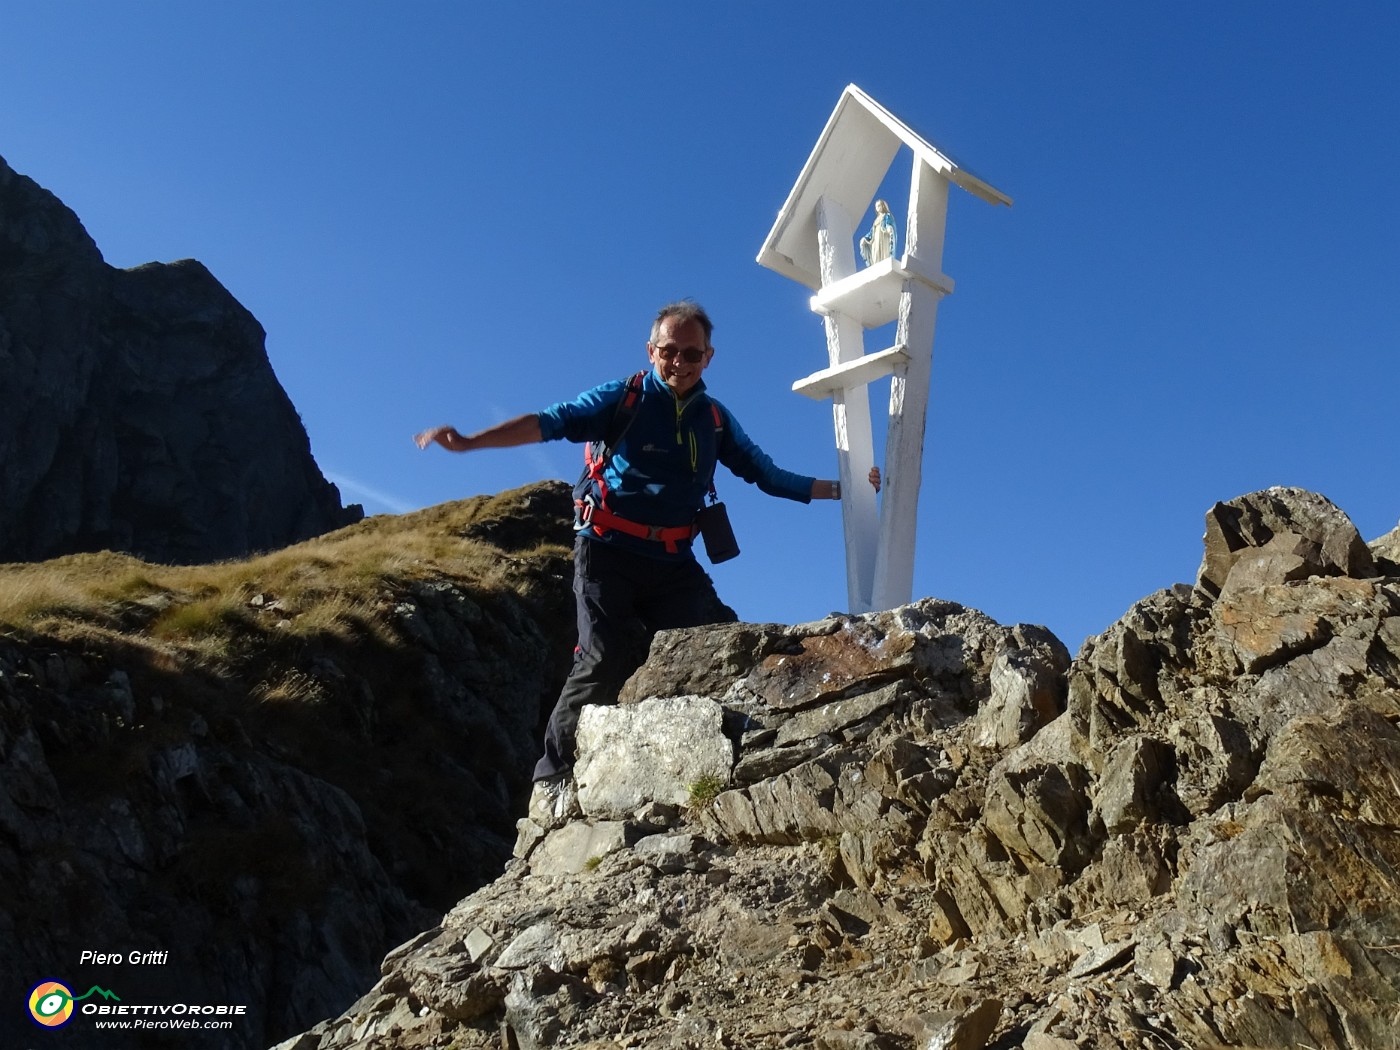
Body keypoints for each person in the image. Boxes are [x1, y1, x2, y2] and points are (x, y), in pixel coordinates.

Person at [415, 300, 879, 796]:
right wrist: (468, 443)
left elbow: (766, 474)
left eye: (691, 355)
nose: (679, 363)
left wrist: (844, 487)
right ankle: (550, 779)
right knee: (601, 658)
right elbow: (549, 422)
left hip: (672, 562)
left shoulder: (715, 419)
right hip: (605, 551)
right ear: (650, 350)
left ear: (709, 358)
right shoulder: (623, 399)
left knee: (717, 647)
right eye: (669, 351)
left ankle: (721, 762)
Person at [859, 199, 897, 266]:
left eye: (879, 205)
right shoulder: (876, 220)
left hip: (883, 236)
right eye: (876, 206)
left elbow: (889, 224)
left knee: (883, 252)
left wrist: (888, 228)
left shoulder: (887, 215)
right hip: (875, 238)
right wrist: (865, 238)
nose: (878, 208)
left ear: (883, 206)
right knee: (876, 253)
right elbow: (872, 232)